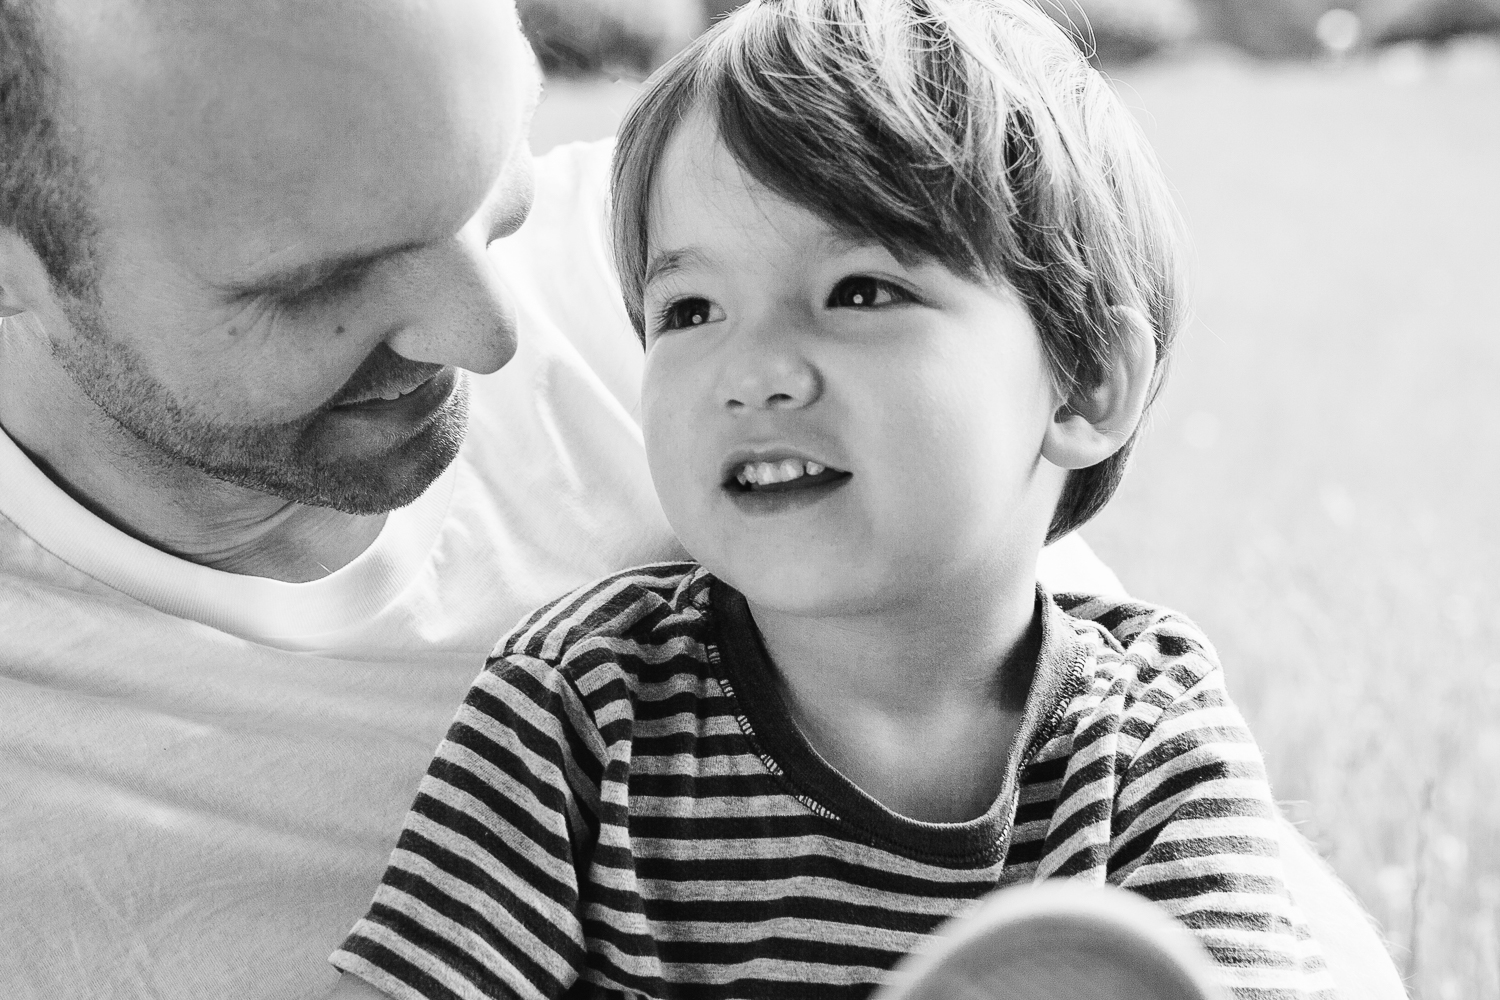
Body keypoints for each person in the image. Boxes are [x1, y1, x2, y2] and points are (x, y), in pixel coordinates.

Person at [0, 0, 1399, 998]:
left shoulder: (716, 203)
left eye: (492, 198)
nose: (496, 338)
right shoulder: (577, 710)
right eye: (318, 284)